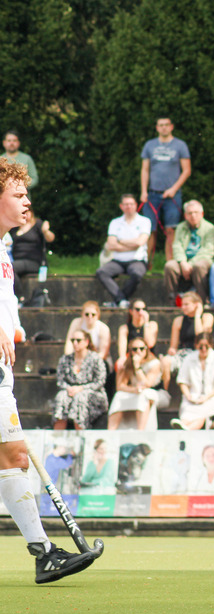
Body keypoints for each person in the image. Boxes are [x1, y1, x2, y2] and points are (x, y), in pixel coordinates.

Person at [0, 159, 97, 582]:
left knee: (12, 457)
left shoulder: (4, 248)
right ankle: (43, 552)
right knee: (14, 455)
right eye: (19, 194)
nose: (29, 200)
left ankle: (43, 552)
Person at [140, 116, 191, 260]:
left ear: (171, 127)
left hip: (172, 195)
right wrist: (144, 191)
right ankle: (146, 264)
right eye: (160, 125)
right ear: (157, 128)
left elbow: (186, 170)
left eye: (166, 125)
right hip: (152, 194)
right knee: (149, 230)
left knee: (171, 230)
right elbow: (145, 169)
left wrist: (173, 189)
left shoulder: (180, 145)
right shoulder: (150, 145)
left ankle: (170, 264)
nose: (163, 127)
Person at [96, 194, 151, 308]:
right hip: (118, 260)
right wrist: (132, 244)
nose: (128, 207)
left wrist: (120, 241)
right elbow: (111, 244)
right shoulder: (115, 222)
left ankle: (119, 301)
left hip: (137, 260)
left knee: (137, 274)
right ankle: (121, 300)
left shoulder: (144, 221)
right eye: (126, 204)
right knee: (101, 272)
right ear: (121, 206)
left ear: (135, 205)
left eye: (131, 204)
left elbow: (140, 242)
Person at [172, 333, 214, 430]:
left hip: (213, 398)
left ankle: (186, 430)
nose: (203, 349)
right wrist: (188, 395)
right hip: (193, 398)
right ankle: (183, 426)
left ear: (211, 345)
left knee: (201, 414)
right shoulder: (189, 358)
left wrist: (206, 397)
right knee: (187, 412)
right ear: (196, 345)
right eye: (201, 346)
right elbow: (182, 381)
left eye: (206, 346)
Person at [164, 200, 214, 303]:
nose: (193, 215)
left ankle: (202, 301)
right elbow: (177, 246)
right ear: (185, 215)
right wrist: (183, 262)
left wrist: (190, 264)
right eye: (190, 213)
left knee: (199, 266)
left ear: (202, 214)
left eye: (196, 212)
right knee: (170, 266)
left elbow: (208, 250)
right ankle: (171, 301)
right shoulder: (180, 227)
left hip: (201, 260)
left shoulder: (210, 228)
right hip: (184, 260)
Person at [53, 333, 108, 430]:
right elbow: (60, 380)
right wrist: (68, 388)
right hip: (70, 392)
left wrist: (81, 388)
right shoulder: (65, 359)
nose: (75, 343)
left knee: (80, 397)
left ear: (86, 342)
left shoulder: (95, 359)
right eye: (72, 340)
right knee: (61, 397)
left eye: (78, 340)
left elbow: (100, 381)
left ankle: (80, 436)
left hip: (92, 394)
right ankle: (57, 439)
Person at [161, 292, 214, 389]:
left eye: (186, 304)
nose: (183, 307)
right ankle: (166, 391)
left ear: (196, 304)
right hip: (184, 353)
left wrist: (197, 315)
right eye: (182, 305)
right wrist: (172, 350)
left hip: (200, 353)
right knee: (165, 361)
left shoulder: (207, 317)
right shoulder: (178, 320)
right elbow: (173, 346)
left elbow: (201, 337)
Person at [107, 341, 163, 429]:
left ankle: (141, 431)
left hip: (156, 393)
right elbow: (120, 386)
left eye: (141, 349)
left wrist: (137, 366)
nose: (138, 352)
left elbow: (147, 383)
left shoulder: (154, 363)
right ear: (130, 351)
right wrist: (134, 390)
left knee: (143, 395)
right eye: (134, 349)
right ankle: (110, 432)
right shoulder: (126, 363)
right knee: (119, 395)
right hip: (135, 391)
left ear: (146, 350)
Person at [10, 206, 54, 301]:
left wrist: (46, 231)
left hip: (33, 261)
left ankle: (20, 297)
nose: (26, 214)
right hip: (18, 261)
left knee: (10, 267)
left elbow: (50, 238)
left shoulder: (37, 224)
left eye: (28, 212)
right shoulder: (14, 228)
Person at [115, 298, 159, 372]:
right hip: (131, 357)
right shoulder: (124, 328)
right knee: (120, 365)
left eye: (143, 309)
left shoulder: (152, 325)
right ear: (131, 311)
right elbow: (122, 350)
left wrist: (146, 323)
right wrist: (122, 359)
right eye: (137, 309)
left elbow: (150, 344)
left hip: (148, 358)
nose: (141, 312)